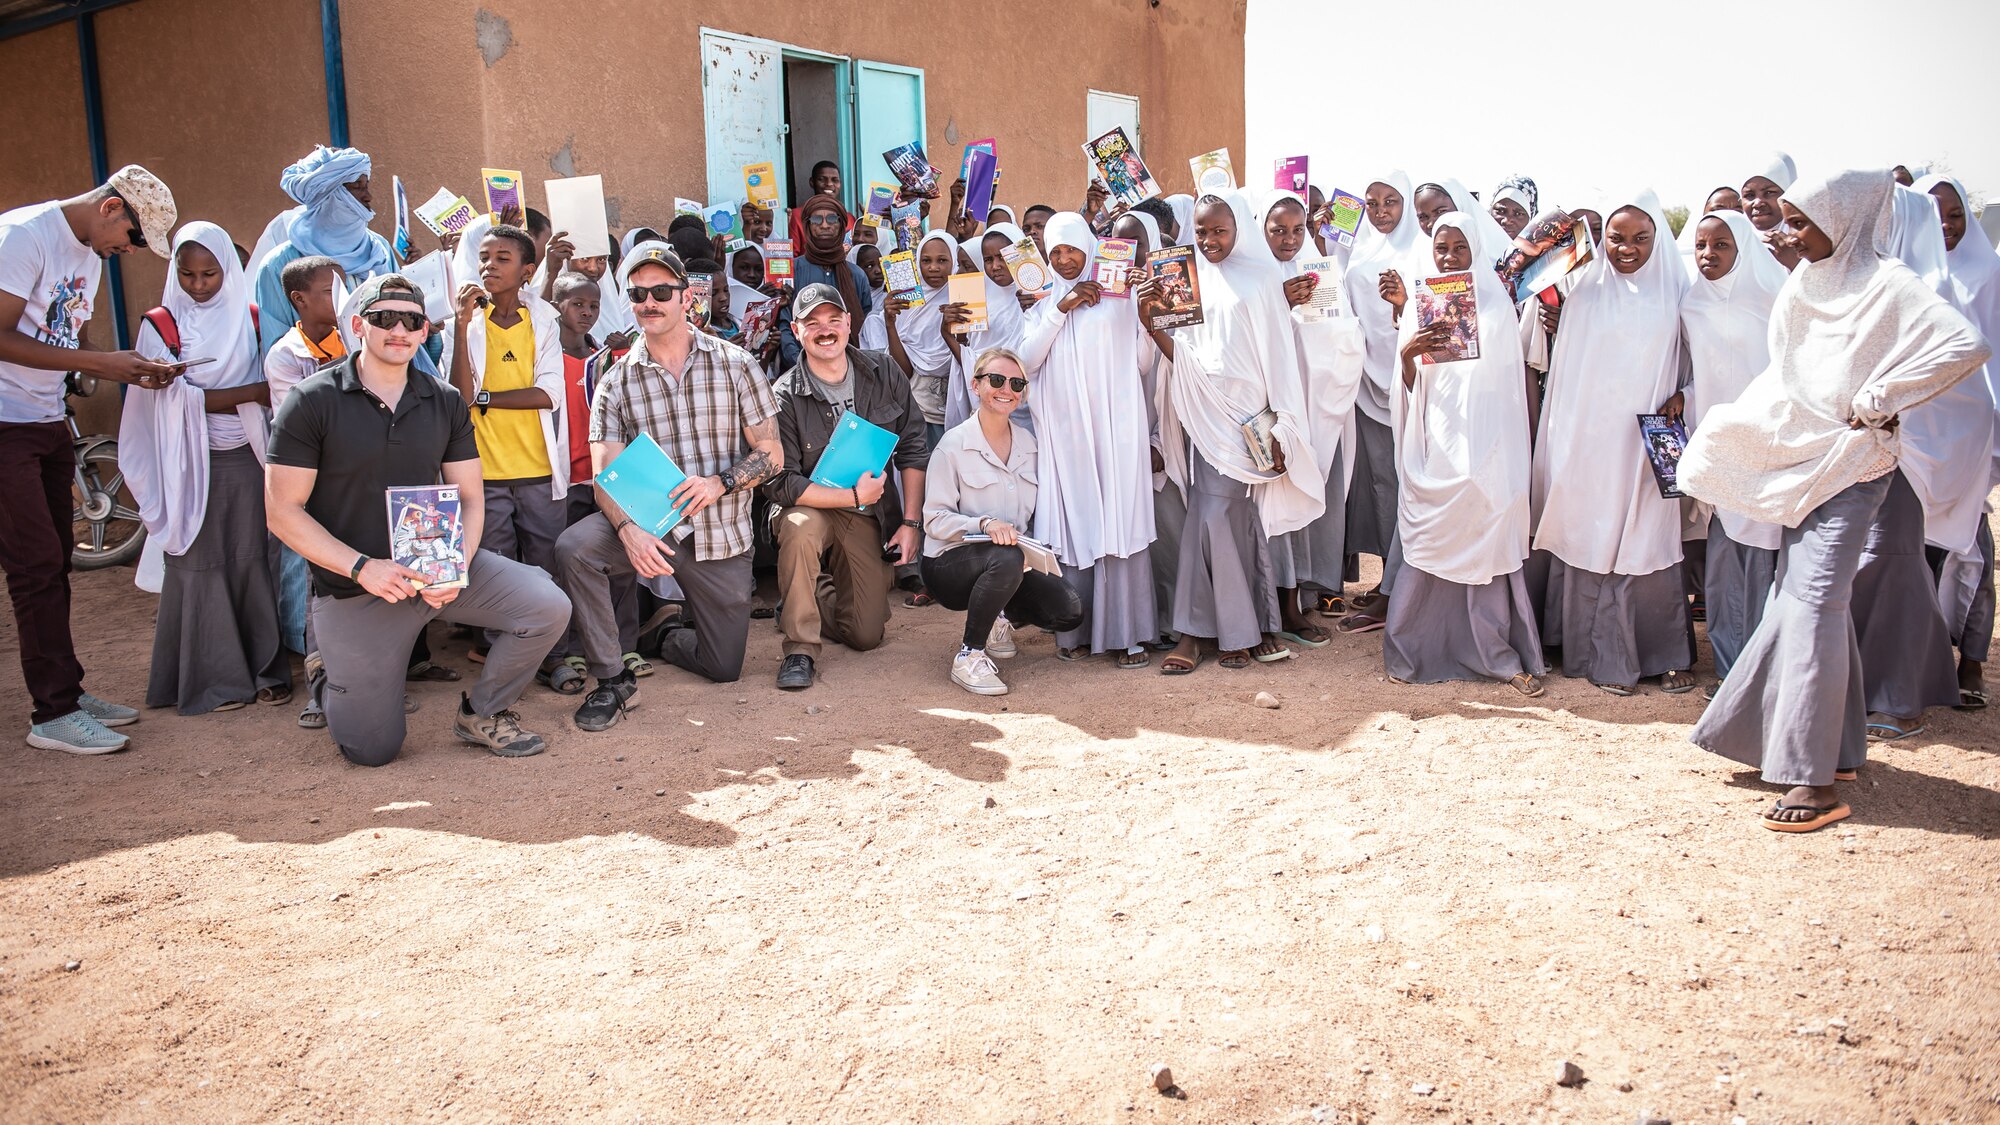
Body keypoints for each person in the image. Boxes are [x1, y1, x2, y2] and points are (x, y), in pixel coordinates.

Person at [1680, 168, 1989, 832]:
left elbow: (1967, 345)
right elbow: (1790, 374)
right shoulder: (1803, 284)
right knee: (1802, 597)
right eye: (1788, 220)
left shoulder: (1891, 284)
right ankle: (1840, 750)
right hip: (1803, 462)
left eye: (1801, 221)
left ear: (1845, 219)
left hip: (1858, 467)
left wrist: (1882, 396)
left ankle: (1813, 780)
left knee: (1817, 598)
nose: (1788, 234)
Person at [265, 274, 571, 765]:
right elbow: (282, 512)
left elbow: (472, 498)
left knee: (546, 606)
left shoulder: (444, 399)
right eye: (385, 318)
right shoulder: (311, 400)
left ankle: (484, 711)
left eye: (412, 320)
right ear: (359, 324)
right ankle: (328, 671)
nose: (399, 329)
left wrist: (454, 569)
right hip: (356, 588)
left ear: (425, 329)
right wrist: (364, 567)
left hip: (433, 568)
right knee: (372, 750)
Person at [553, 243, 783, 731]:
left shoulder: (736, 363)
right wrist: (629, 530)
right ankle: (612, 678)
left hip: (720, 533)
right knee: (576, 547)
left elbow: (771, 454)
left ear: (686, 298)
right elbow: (606, 477)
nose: (649, 302)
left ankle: (664, 638)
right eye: (638, 294)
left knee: (724, 668)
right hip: (654, 529)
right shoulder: (615, 382)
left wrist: (721, 483)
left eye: (661, 291)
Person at [0, 164, 175, 753]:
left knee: (55, 563)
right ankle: (51, 713)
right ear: (110, 208)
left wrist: (128, 365)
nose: (127, 250)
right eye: (131, 237)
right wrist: (106, 366)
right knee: (34, 566)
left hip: (46, 420)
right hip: (4, 425)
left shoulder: (86, 256)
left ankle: (67, 694)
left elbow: (60, 336)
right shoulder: (23, 237)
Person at [1143, 191, 1323, 674]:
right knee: (1212, 514)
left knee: (1230, 519)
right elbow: (1182, 355)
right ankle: (1223, 630)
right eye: (1200, 231)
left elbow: (1280, 356)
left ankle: (1216, 630)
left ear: (1237, 228)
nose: (1209, 240)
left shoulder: (1262, 279)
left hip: (1250, 424)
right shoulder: (1187, 278)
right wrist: (1151, 321)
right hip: (1204, 416)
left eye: (1218, 230)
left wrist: (1284, 424)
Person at [120, 220, 290, 715]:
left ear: (230, 270)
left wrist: (223, 397)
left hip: (248, 457)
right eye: (188, 274)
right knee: (198, 565)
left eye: (210, 274)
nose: (198, 285)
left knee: (253, 562)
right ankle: (212, 679)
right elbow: (164, 400)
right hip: (187, 463)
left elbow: (271, 385)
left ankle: (265, 671)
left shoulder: (253, 318)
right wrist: (245, 394)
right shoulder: (161, 324)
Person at [1530, 194, 1695, 696]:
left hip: (1645, 445)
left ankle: (1659, 654)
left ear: (1658, 240)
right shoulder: (1585, 290)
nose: (1627, 248)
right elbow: (1565, 374)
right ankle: (1587, 653)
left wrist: (1685, 396)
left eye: (1640, 238)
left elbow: (1698, 364)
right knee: (1590, 533)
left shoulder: (1678, 294)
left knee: (1645, 539)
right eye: (1616, 238)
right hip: (1589, 443)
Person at [1375, 212, 1544, 693]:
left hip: (1488, 452)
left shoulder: (1497, 312)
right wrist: (1408, 354)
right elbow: (1407, 390)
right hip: (1436, 451)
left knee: (1486, 542)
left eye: (1459, 249)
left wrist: (1495, 460)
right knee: (1430, 545)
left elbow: (1511, 396)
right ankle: (1415, 649)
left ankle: (1496, 654)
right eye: (1441, 249)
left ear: (1477, 251)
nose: (1449, 258)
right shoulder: (1419, 308)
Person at [762, 282, 928, 690]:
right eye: (812, 323)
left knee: (867, 635)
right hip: (809, 505)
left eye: (833, 319)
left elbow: (914, 446)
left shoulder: (883, 371)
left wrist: (910, 523)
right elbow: (780, 483)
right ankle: (800, 647)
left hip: (864, 512)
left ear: (849, 323)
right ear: (796, 332)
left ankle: (807, 589)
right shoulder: (782, 395)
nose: (825, 329)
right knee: (800, 531)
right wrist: (850, 496)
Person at [1017, 212, 1160, 668]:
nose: (1063, 260)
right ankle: (1072, 631)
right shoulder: (1042, 307)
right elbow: (1026, 363)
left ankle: (1127, 634)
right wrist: (1063, 308)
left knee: (1119, 518)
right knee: (1075, 521)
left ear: (1090, 249)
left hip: (1117, 432)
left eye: (1071, 250)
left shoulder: (1119, 301)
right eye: (1055, 251)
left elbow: (1142, 364)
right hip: (1068, 437)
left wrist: (1142, 315)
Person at [923, 347, 1086, 694]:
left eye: (1016, 383)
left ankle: (998, 616)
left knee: (1068, 610)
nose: (1006, 389)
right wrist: (982, 524)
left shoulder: (1029, 443)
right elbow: (934, 520)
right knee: (1006, 556)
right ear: (976, 385)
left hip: (1009, 562)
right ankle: (969, 656)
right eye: (996, 380)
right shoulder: (952, 445)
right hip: (948, 565)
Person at [441, 224, 569, 664]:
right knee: (494, 570)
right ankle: (500, 655)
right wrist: (459, 327)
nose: (488, 266)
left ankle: (551, 656)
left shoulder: (543, 321)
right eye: (483, 258)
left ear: (527, 271)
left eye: (502, 259)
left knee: (545, 566)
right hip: (485, 474)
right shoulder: (465, 324)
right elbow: (456, 397)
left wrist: (486, 398)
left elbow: (548, 393)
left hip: (536, 468)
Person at [1250, 189, 1366, 646]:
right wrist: (1279, 305)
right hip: (1268, 411)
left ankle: (1295, 603)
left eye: (1299, 229)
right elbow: (1244, 338)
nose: (1289, 239)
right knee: (1271, 507)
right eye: (1278, 230)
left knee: (1300, 504)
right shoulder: (1255, 278)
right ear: (1261, 231)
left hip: (1312, 408)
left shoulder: (1319, 272)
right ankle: (1266, 606)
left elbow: (1343, 337)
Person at [1678, 210, 1788, 691]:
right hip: (1717, 443)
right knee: (1723, 558)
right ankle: (1728, 668)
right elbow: (1700, 371)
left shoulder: (1773, 298)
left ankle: (1762, 670)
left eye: (1721, 245)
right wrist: (1686, 397)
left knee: (1763, 557)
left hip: (1767, 444)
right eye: (1701, 246)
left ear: (1743, 247)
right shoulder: (1692, 304)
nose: (1708, 255)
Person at [1915, 174, 2000, 708]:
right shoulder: (1906, 276)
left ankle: (1971, 661)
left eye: (1955, 216)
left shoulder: (1990, 272)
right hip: (1922, 427)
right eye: (1933, 217)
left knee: (1973, 547)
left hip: (1976, 425)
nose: (1945, 227)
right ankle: (1922, 661)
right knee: (1916, 553)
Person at [1339, 172, 1422, 629]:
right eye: (1372, 203)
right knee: (1381, 488)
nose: (1381, 210)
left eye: (1391, 201)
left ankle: (1401, 590)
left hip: (1410, 382)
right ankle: (1392, 580)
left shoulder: (1422, 251)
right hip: (1367, 383)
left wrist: (1402, 305)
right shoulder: (1360, 249)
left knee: (1408, 484)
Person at [253, 146, 396, 357]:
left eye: (367, 186)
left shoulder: (379, 248)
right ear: (328, 196)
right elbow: (279, 354)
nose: (368, 196)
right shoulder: (278, 265)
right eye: (356, 186)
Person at [946, 221, 1036, 431]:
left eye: (1003, 258)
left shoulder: (1037, 295)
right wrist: (948, 331)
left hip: (1027, 400)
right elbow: (972, 353)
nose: (995, 266)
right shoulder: (979, 296)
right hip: (986, 393)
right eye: (988, 260)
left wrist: (1035, 311)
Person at [776, 195, 872, 370]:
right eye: (817, 219)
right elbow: (785, 324)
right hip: (800, 370)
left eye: (832, 219)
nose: (825, 225)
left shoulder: (857, 275)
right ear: (807, 226)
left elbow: (866, 325)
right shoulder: (792, 270)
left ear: (842, 225)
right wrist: (802, 365)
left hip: (851, 370)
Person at [1741, 152, 1802, 270]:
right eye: (1749, 195)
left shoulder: (1809, 240)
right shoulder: (1734, 243)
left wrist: (1796, 264)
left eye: (1769, 193)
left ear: (1789, 194)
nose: (1758, 203)